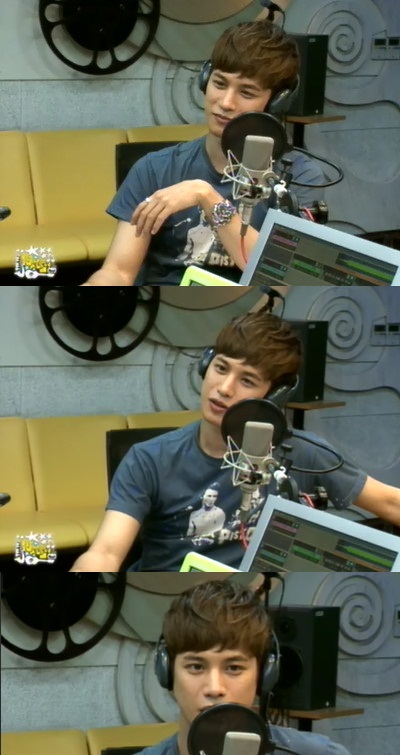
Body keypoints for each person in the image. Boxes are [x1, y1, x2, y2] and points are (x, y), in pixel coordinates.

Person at [51, 580, 400, 755]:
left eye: (233, 667)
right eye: (195, 666)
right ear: (167, 672)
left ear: (264, 676)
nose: (214, 688)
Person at [70, 310, 400, 573]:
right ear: (205, 366)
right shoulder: (148, 459)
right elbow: (105, 552)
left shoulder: (300, 453)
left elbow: (390, 503)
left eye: (247, 380)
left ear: (274, 395)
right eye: (221, 368)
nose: (224, 388)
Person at [81, 20, 325, 287]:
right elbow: (118, 271)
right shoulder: (154, 169)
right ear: (205, 80)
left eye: (246, 92)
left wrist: (208, 198)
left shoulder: (298, 177)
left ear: (276, 101)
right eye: (219, 83)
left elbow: (282, 272)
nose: (226, 103)